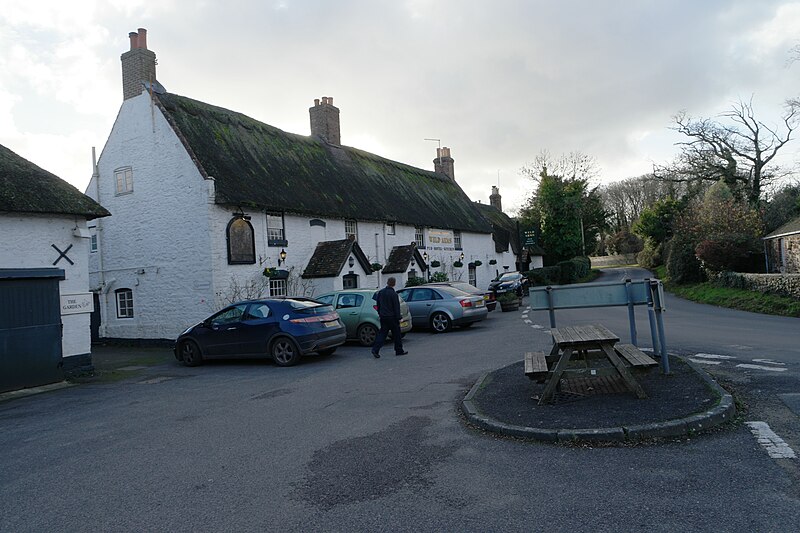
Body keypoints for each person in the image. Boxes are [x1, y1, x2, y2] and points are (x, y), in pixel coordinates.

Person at [371, 277, 408, 358]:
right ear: (394, 284)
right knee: (397, 334)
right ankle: (399, 350)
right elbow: (396, 307)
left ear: (387, 282)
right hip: (392, 318)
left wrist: (380, 313)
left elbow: (378, 304)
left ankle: (375, 349)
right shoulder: (394, 294)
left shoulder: (381, 292)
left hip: (383, 317)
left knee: (382, 334)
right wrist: (399, 317)